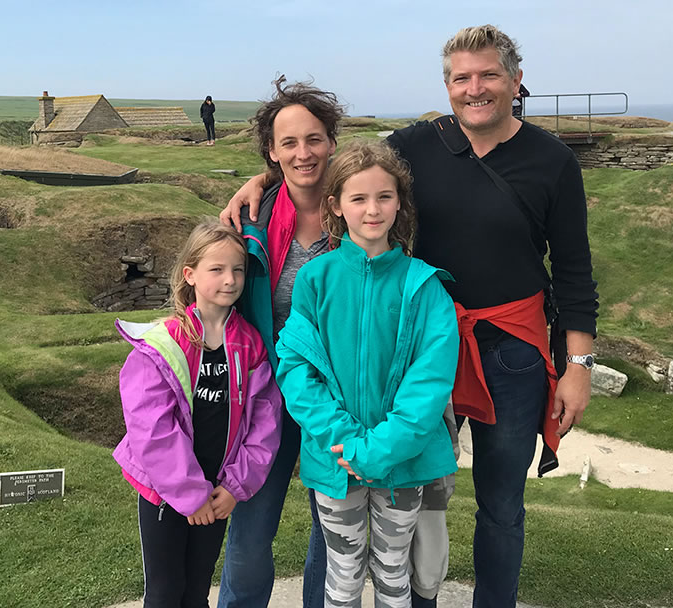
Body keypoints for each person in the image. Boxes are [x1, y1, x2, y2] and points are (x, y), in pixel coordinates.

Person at [222, 25, 598, 608]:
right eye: (461, 78)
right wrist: (267, 177)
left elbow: (574, 270)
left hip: (508, 348)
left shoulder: (552, 161)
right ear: (446, 85)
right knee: (421, 499)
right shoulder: (419, 144)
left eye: (489, 75)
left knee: (500, 504)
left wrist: (577, 366)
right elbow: (342, 170)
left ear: (516, 81)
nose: (475, 89)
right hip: (412, 339)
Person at [276, 140, 459, 608]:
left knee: (395, 571)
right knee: (342, 574)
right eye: (359, 198)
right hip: (335, 458)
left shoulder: (425, 286)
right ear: (336, 205)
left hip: (403, 463)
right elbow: (296, 367)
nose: (372, 209)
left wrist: (376, 450)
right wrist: (346, 442)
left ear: (400, 202)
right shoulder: (314, 280)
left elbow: (430, 384)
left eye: (384, 197)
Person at [216, 77, 344, 608]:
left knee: (333, 531)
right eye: (288, 143)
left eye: (313, 138)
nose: (303, 152)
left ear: (332, 141)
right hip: (264, 390)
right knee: (250, 530)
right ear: (271, 151)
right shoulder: (254, 217)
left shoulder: (360, 207)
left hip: (337, 395)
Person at [112, 221, 283, 608]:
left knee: (197, 592)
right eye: (217, 269)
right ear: (189, 274)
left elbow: (265, 422)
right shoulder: (163, 342)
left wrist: (236, 487)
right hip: (166, 496)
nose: (230, 279)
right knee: (165, 592)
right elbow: (152, 428)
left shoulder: (250, 343)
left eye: (238, 269)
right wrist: (191, 495)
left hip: (219, 492)